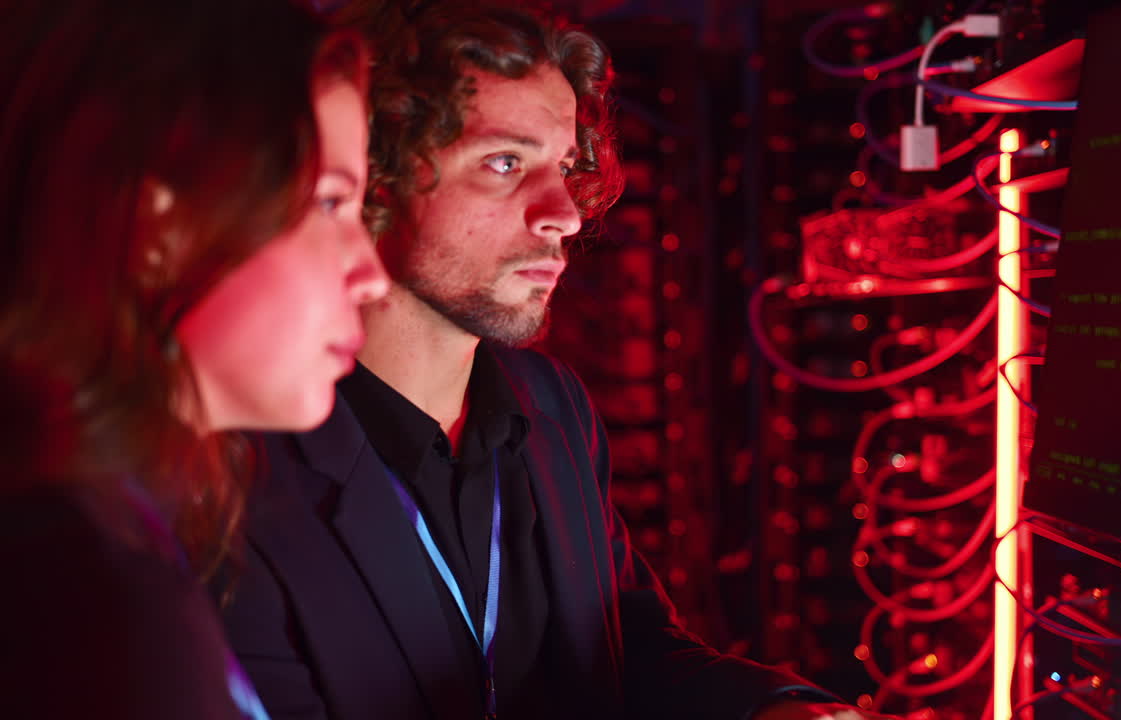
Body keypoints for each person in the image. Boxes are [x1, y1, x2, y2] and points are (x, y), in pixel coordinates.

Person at [219, 2, 886, 719]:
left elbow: (628, 649)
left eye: (565, 166)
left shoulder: (552, 406)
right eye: (505, 163)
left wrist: (778, 712)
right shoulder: (241, 471)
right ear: (371, 175)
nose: (564, 212)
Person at [0, 1, 389, 717]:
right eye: (333, 203)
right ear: (161, 224)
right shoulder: (90, 601)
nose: (372, 275)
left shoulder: (108, 533)